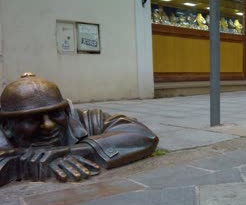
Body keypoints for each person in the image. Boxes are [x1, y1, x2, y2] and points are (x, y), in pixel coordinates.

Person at [0, 73, 159, 186]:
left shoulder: (87, 120)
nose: (48, 125)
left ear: (67, 111)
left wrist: (77, 150)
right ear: (6, 125)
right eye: (32, 119)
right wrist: (22, 163)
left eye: (56, 114)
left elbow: (142, 135)